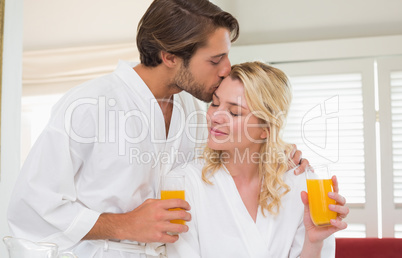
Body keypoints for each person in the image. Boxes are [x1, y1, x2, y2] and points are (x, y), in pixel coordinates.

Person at [7, 1, 307, 257]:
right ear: (170, 56)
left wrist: (280, 155)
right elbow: (30, 207)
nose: (227, 68)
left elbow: (230, 155)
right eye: (215, 59)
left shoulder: (191, 110)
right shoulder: (89, 105)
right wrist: (124, 224)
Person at [166, 62, 349, 258]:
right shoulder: (184, 183)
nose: (215, 117)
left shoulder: (301, 183)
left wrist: (315, 243)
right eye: (215, 103)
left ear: (265, 130)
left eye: (234, 112)